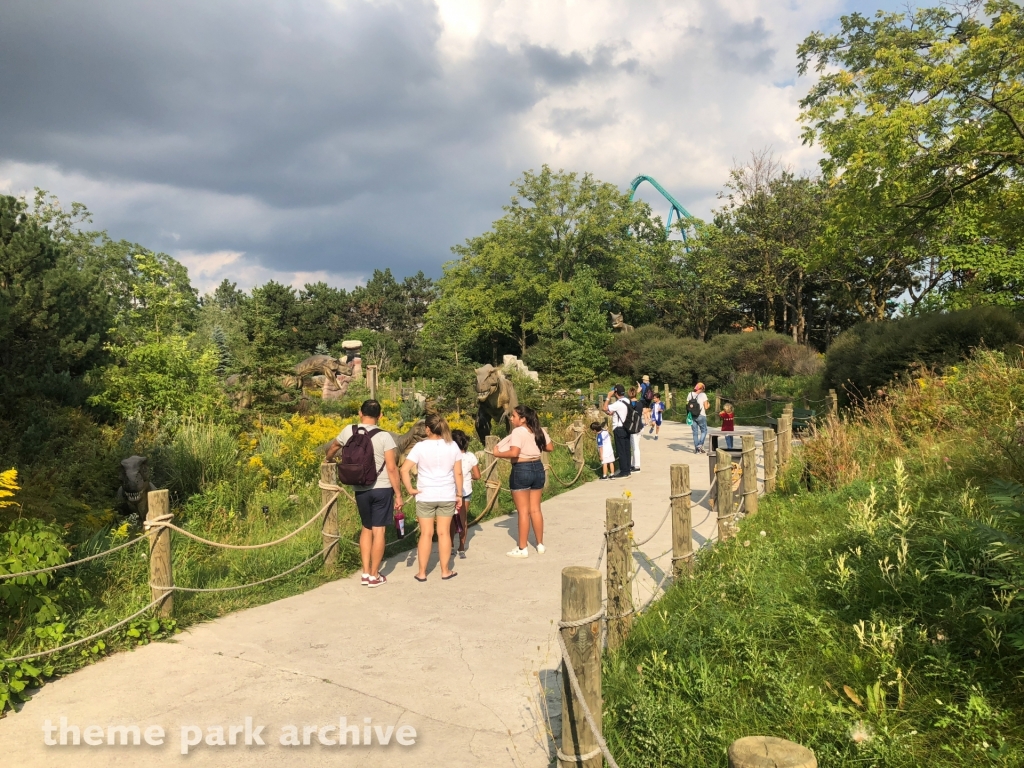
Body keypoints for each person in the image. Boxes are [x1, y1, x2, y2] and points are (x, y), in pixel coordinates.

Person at [325, 399, 401, 589]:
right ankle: (375, 575)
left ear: (360, 413)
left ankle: (365, 572)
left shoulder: (348, 431)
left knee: (366, 528)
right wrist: (398, 493)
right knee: (379, 530)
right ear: (380, 415)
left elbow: (334, 447)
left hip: (360, 488)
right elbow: (391, 468)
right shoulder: (385, 436)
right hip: (382, 488)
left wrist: (328, 459)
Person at [401, 412, 463, 582]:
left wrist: (410, 489)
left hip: (425, 494)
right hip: (447, 494)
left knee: (426, 534)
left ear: (427, 429)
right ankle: (445, 570)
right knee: (444, 533)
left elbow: (404, 469)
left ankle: (422, 572)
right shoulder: (453, 446)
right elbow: (458, 472)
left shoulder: (420, 447)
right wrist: (459, 494)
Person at [494, 405, 553, 558]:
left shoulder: (518, 432)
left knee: (523, 511)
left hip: (522, 469)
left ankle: (522, 548)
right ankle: (540, 544)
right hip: (538, 468)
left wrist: (498, 454)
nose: (511, 418)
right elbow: (549, 447)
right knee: (536, 509)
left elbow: (514, 452)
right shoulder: (538, 429)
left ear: (523, 418)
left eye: (514, 416)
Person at [450, 429, 480, 557]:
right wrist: (469, 477)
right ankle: (461, 547)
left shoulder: (450, 456)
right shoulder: (470, 456)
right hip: (466, 491)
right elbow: (478, 476)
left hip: (452, 491)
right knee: (463, 519)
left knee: (451, 520)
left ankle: (450, 545)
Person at [602, 385, 632, 478]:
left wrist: (608, 396)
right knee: (627, 449)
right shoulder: (627, 400)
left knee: (621, 450)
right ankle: (627, 469)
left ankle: (624, 471)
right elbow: (614, 412)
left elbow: (604, 408)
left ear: (616, 393)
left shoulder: (618, 403)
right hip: (627, 427)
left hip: (619, 428)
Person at [687, 382, 709, 454]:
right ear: (702, 388)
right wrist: (709, 404)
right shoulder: (703, 395)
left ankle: (697, 450)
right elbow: (706, 407)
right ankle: (700, 445)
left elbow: (688, 405)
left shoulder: (690, 394)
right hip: (701, 415)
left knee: (695, 432)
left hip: (692, 415)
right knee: (704, 431)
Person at [627, 386, 643, 473]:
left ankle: (637, 466)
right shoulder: (640, 403)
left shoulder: (629, 404)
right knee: (635, 446)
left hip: (633, 427)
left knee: (635, 447)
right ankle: (633, 464)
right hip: (640, 425)